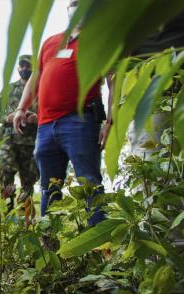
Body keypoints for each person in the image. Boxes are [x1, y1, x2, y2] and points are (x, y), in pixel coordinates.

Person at [13, 0, 112, 226]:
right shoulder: (50, 42)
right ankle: (50, 248)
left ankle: (100, 246)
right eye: (74, 3)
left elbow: (113, 81)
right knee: (49, 186)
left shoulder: (100, 39)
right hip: (46, 125)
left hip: (81, 122)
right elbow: (35, 79)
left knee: (89, 183)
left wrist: (110, 121)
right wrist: (21, 107)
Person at [0, 55, 38, 208]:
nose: (24, 69)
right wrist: (6, 118)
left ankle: (25, 218)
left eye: (28, 66)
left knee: (29, 180)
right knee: (5, 171)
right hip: (9, 139)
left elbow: (52, 111)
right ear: (18, 67)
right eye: (22, 65)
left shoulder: (41, 89)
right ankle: (8, 212)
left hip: (31, 141)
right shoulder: (9, 89)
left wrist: (37, 118)